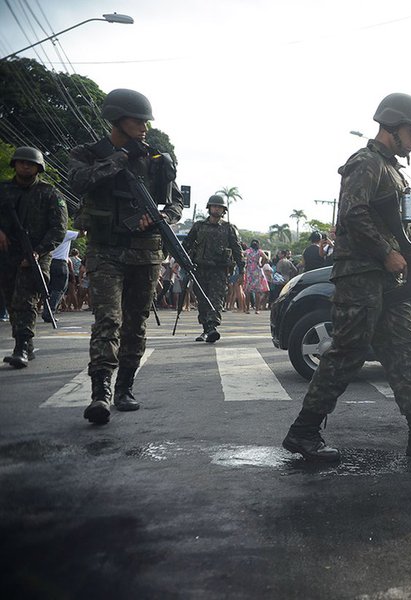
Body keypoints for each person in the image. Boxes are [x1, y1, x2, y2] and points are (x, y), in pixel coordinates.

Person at [281, 92, 411, 461]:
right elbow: (353, 214)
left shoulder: (393, 171)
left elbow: (397, 225)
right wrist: (385, 251)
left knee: (405, 351)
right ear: (393, 126)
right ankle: (304, 433)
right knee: (347, 352)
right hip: (361, 274)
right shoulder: (365, 163)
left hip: (390, 279)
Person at [69, 89, 183, 423]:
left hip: (146, 253)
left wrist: (162, 217)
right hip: (105, 249)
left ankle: (125, 389)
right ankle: (100, 394)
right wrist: (120, 157)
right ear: (117, 119)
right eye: (138, 120)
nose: (145, 127)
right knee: (107, 321)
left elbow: (176, 201)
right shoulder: (89, 153)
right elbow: (78, 181)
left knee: (136, 324)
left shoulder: (155, 158)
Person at [0, 146, 68, 369]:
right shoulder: (3, 190)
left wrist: (38, 251)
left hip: (37, 253)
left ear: (39, 167)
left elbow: (58, 229)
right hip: (7, 253)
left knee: (25, 298)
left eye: (30, 163)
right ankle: (26, 345)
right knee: (11, 299)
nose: (25, 165)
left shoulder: (50, 194)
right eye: (21, 162)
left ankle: (21, 346)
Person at [184, 194, 244, 343]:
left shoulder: (229, 228)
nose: (216, 209)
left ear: (223, 210)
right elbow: (186, 244)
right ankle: (206, 329)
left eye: (219, 207)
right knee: (202, 300)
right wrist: (183, 261)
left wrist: (242, 270)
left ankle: (212, 327)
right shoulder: (199, 226)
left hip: (219, 270)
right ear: (209, 208)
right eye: (214, 206)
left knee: (215, 299)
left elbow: (237, 250)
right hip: (199, 268)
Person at [45, 229, 79, 321]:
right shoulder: (66, 233)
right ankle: (50, 312)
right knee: (60, 289)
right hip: (60, 262)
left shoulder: (48, 232)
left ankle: (46, 310)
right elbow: (82, 234)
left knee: (49, 289)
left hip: (48, 262)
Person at [243, 239, 269, 313]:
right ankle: (257, 309)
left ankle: (247, 309)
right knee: (257, 291)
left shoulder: (248, 251)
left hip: (249, 271)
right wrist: (261, 264)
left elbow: (242, 254)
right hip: (257, 270)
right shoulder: (259, 251)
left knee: (248, 291)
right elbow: (266, 258)